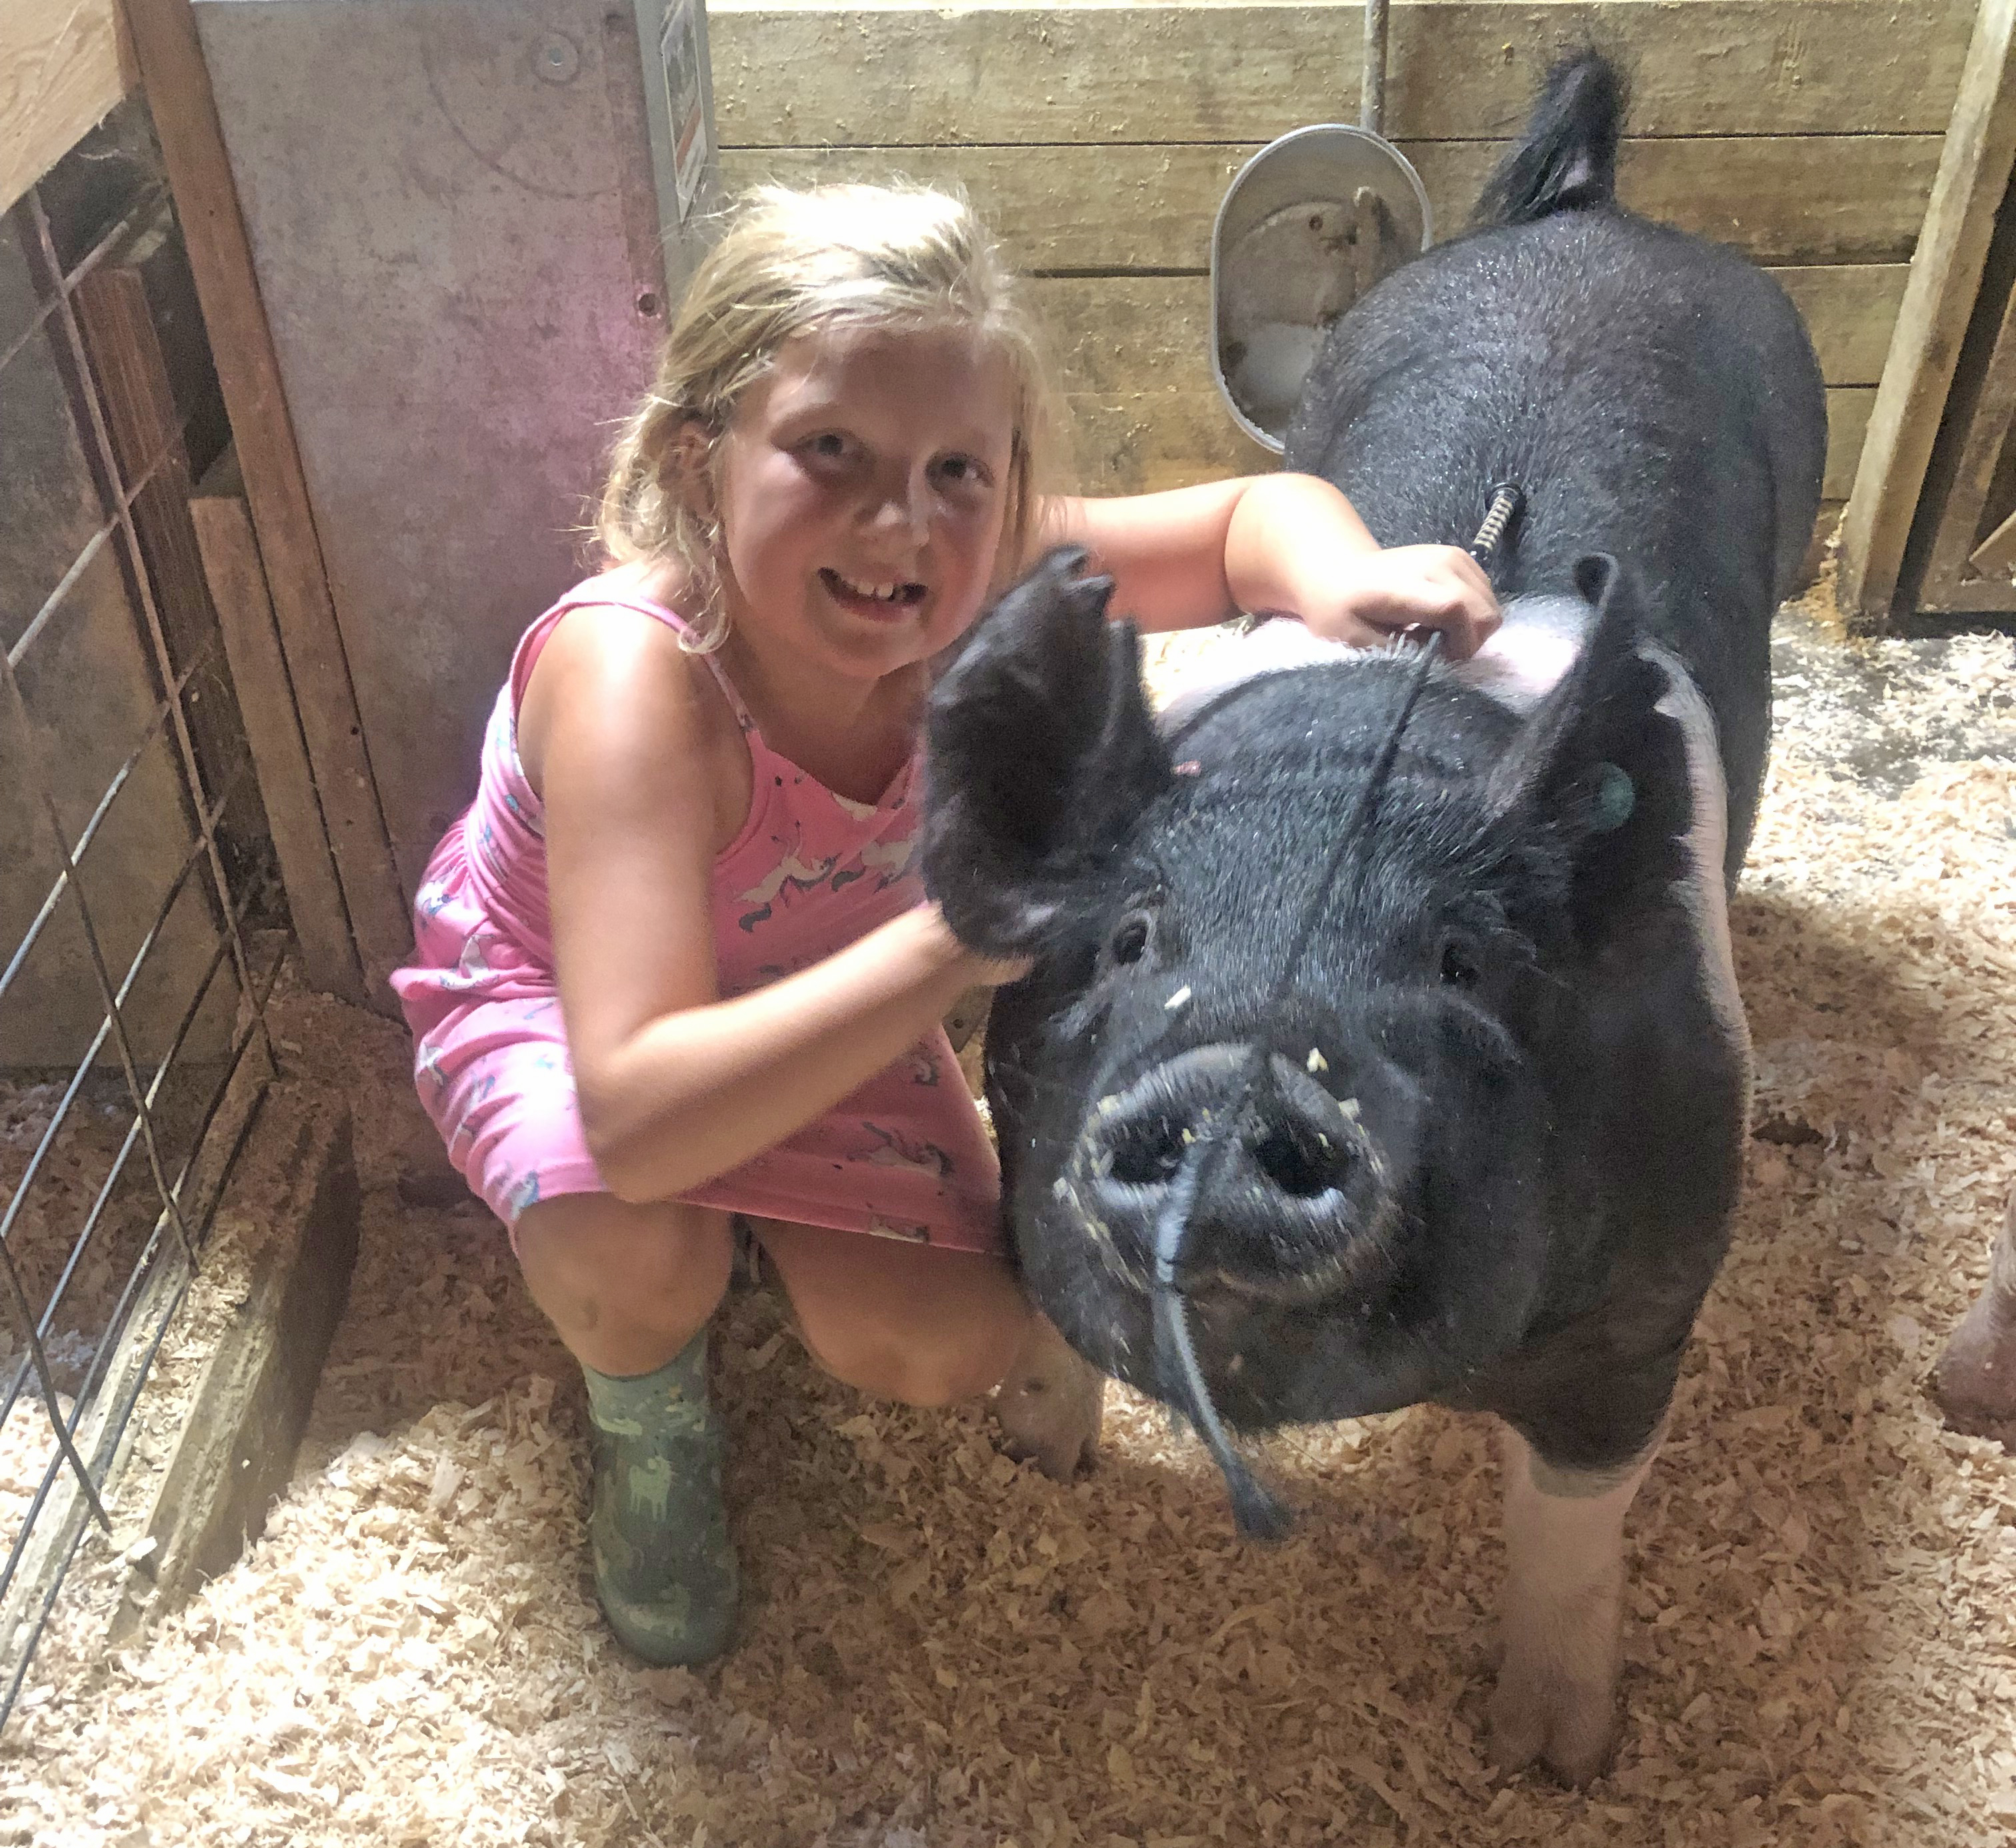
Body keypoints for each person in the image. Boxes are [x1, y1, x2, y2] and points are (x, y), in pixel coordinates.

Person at [391, 183, 1499, 1668]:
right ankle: (647, 1412)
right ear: (693, 456)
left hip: (829, 1000)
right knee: (637, 1247)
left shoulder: (964, 579)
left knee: (945, 1343)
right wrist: (958, 944)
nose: (899, 522)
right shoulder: (635, 683)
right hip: (576, 1017)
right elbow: (642, 1112)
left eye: (957, 470)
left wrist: (1339, 572)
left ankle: (767, 1244)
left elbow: (1246, 519)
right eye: (829, 451)